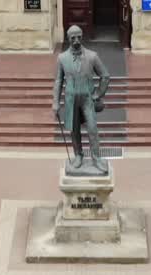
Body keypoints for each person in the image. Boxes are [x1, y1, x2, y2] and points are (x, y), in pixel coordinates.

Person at [51, 25, 111, 174]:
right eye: (73, 37)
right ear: (68, 38)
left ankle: (96, 158)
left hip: (87, 99)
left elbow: (105, 76)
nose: (76, 40)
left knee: (92, 128)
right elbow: (58, 81)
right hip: (71, 100)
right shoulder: (62, 58)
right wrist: (55, 102)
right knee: (74, 130)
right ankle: (78, 155)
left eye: (78, 37)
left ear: (82, 37)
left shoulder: (92, 56)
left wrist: (98, 94)